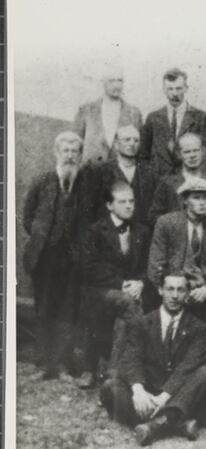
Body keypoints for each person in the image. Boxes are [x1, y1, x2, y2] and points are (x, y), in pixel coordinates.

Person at [100, 273, 206, 446]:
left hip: (177, 392)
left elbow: (187, 366)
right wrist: (138, 391)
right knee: (110, 386)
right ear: (160, 290)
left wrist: (163, 398)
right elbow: (131, 358)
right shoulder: (142, 322)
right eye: (170, 289)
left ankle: (155, 425)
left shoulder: (198, 327)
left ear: (187, 293)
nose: (175, 295)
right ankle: (176, 422)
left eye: (180, 290)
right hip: (147, 390)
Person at [23, 131, 95, 379]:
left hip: (73, 258)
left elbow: (91, 220)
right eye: (66, 151)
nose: (70, 156)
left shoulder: (86, 184)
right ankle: (45, 364)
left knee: (68, 310)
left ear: (80, 155)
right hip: (45, 257)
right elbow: (27, 216)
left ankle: (63, 365)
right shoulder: (42, 180)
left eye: (75, 152)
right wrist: (42, 238)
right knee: (44, 308)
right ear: (57, 152)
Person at [148, 178, 206, 368]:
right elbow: (156, 263)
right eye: (196, 198)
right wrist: (175, 289)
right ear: (185, 201)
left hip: (202, 290)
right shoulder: (167, 223)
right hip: (175, 287)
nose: (202, 203)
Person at [78, 181, 150, 388]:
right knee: (129, 304)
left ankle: (112, 375)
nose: (129, 206)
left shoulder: (142, 232)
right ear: (110, 205)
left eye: (131, 201)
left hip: (131, 292)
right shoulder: (94, 231)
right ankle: (128, 369)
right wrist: (122, 284)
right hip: (99, 291)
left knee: (124, 317)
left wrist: (141, 283)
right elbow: (89, 268)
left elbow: (149, 265)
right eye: (122, 202)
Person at [139, 68, 206, 178]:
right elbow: (144, 154)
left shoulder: (200, 117)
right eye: (170, 89)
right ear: (164, 89)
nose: (174, 93)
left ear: (186, 88)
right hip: (159, 181)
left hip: (189, 180)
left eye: (179, 88)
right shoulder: (153, 118)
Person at [73, 67, 142, 165]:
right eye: (112, 81)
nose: (117, 85)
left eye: (120, 81)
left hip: (121, 173)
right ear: (102, 82)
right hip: (91, 171)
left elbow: (139, 148)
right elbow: (75, 144)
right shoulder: (86, 110)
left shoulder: (134, 113)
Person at [91, 125, 158, 226]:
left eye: (136, 140)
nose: (132, 143)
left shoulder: (149, 172)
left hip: (142, 233)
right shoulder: (101, 171)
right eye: (127, 140)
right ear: (116, 144)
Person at [147, 132, 206, 226]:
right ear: (179, 154)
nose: (192, 155)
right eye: (187, 152)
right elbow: (153, 216)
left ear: (203, 151)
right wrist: (175, 222)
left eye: (196, 150)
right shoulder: (167, 184)